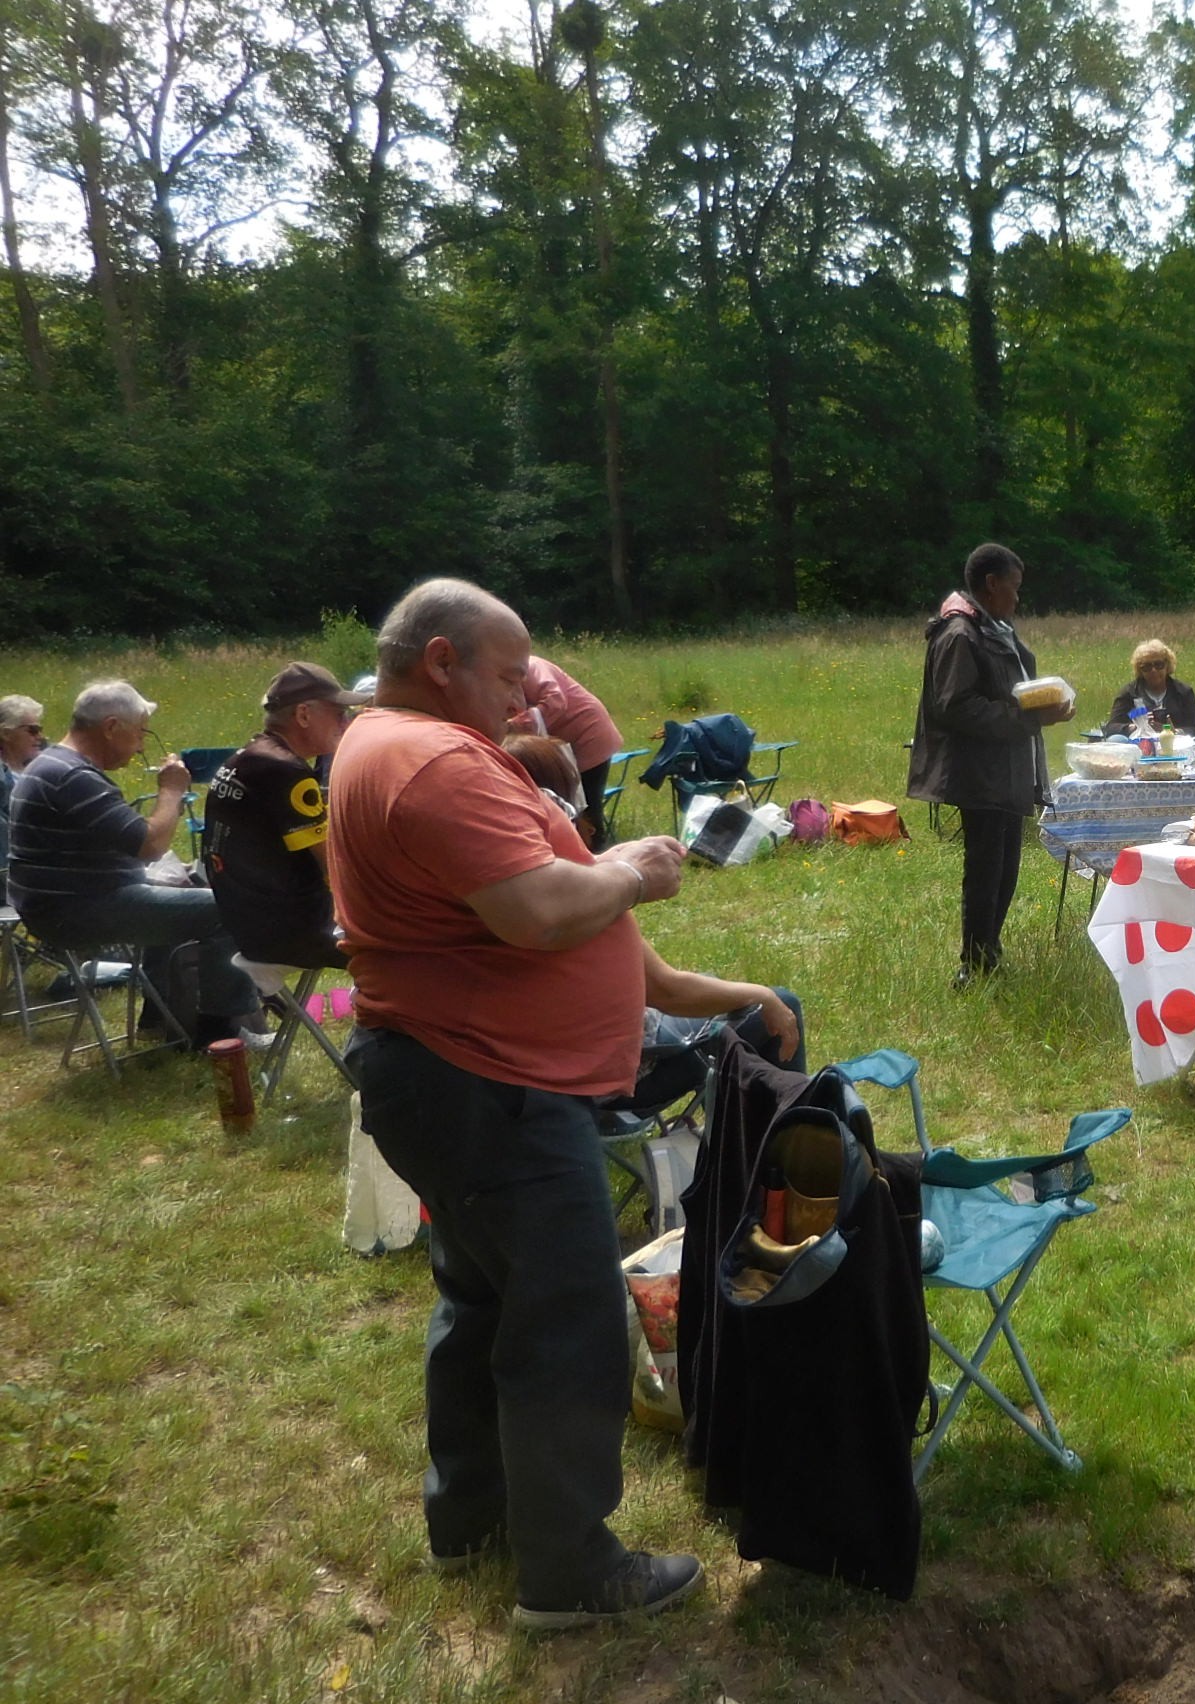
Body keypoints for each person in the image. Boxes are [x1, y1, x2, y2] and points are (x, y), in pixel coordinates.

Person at [329, 578, 704, 1630]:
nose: (524, 697)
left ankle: (473, 1520)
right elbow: (538, 913)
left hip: (442, 1073)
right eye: (506, 674)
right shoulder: (431, 757)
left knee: (481, 1299)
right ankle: (570, 1574)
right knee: (568, 1323)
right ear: (441, 660)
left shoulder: (377, 739)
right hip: (486, 1084)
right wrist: (628, 871)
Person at [501, 730, 806, 1095]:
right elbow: (669, 991)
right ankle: (792, 1135)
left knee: (719, 986)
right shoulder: (576, 900)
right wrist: (764, 996)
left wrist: (604, 862)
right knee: (777, 1004)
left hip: (542, 1067)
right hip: (628, 1068)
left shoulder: (509, 889)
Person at [6, 679, 262, 1049]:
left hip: (63, 903)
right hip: (77, 910)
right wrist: (172, 790)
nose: (141, 744)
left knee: (175, 893)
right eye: (140, 733)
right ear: (111, 727)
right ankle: (220, 1033)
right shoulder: (70, 777)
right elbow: (150, 844)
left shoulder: (54, 766)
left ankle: (161, 1020)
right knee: (230, 909)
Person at [906, 543, 1076, 987]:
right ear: (992, 584)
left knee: (1005, 868)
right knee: (985, 870)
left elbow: (1009, 689)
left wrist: (1045, 704)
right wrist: (1029, 718)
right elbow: (955, 706)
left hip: (1006, 766)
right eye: (1014, 588)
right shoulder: (959, 634)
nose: (1018, 598)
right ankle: (974, 964)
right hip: (977, 770)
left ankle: (989, 953)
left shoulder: (995, 629)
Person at [203, 663, 370, 972]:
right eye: (339, 714)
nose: (346, 724)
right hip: (295, 932)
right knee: (419, 948)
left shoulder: (248, 757)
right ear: (304, 715)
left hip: (248, 926)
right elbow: (334, 866)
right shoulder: (288, 772)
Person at [506, 656, 624, 848]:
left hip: (589, 734)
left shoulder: (532, 666)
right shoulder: (500, 674)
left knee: (585, 806)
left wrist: (518, 724)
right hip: (560, 745)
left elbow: (556, 700)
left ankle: (597, 855)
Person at [1105, 639, 1195, 738]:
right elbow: (1111, 727)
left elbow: (1193, 729)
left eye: (1159, 665)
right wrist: (1134, 727)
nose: (1153, 671)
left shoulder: (1183, 692)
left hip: (1175, 745)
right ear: (1140, 670)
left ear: (1167, 665)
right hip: (1137, 744)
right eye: (1146, 667)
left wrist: (1171, 731)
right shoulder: (1129, 693)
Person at [0, 694, 44, 870]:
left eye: (40, 729)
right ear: (6, 733)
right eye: (32, 730)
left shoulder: (50, 765)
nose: (40, 736)